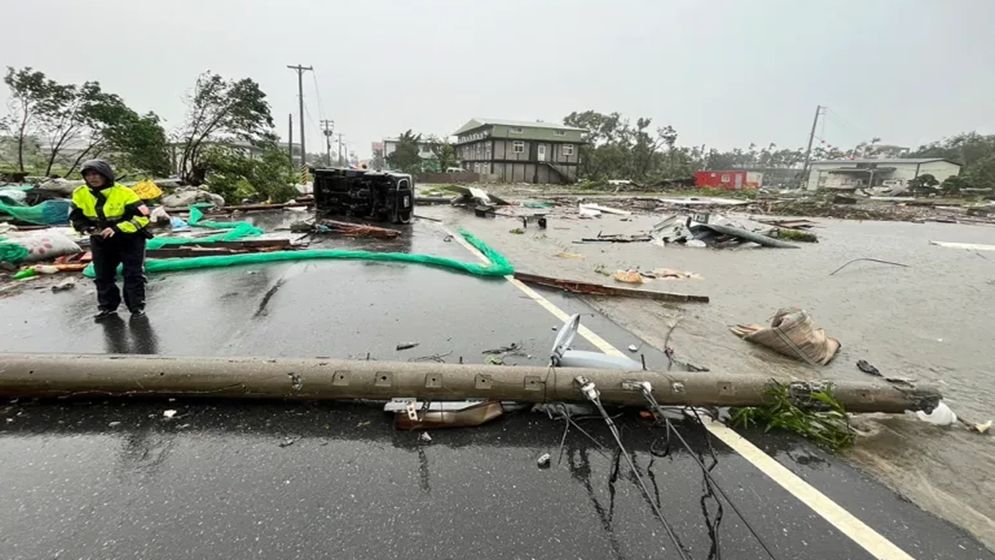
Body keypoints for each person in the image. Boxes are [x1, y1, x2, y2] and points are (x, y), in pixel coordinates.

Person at [69, 159, 151, 320]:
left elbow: (143, 216)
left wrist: (117, 228)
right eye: (88, 175)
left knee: (133, 274)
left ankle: (136, 308)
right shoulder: (80, 193)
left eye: (96, 174)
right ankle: (107, 308)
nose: (92, 178)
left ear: (106, 175)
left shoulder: (124, 192)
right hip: (101, 239)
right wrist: (86, 228)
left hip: (129, 238)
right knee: (102, 275)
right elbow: (75, 216)